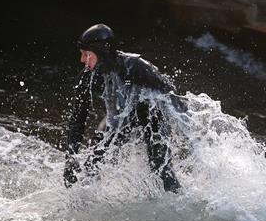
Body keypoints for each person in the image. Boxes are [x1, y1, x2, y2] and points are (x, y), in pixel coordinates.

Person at [63, 24, 181, 192]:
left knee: (161, 168)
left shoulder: (135, 66)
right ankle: (88, 202)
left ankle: (175, 197)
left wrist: (186, 127)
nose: (82, 60)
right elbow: (78, 119)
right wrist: (70, 156)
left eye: (87, 54)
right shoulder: (87, 76)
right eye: (82, 54)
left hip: (151, 116)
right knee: (94, 159)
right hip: (121, 116)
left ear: (102, 52)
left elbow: (170, 94)